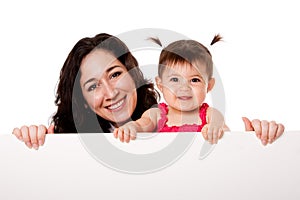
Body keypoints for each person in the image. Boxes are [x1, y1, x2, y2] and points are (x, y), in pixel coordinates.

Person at [12, 33, 284, 150]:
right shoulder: (68, 144)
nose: (110, 92)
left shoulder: (166, 117)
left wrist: (255, 141)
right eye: (93, 86)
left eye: (116, 74)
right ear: (80, 101)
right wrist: (31, 142)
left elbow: (219, 140)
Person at [113, 35, 285, 145]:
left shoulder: (210, 114)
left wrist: (215, 129)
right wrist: (132, 127)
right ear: (160, 85)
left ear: (209, 86)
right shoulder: (157, 114)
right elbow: (143, 124)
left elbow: (223, 131)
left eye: (194, 80)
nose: (184, 87)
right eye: (174, 79)